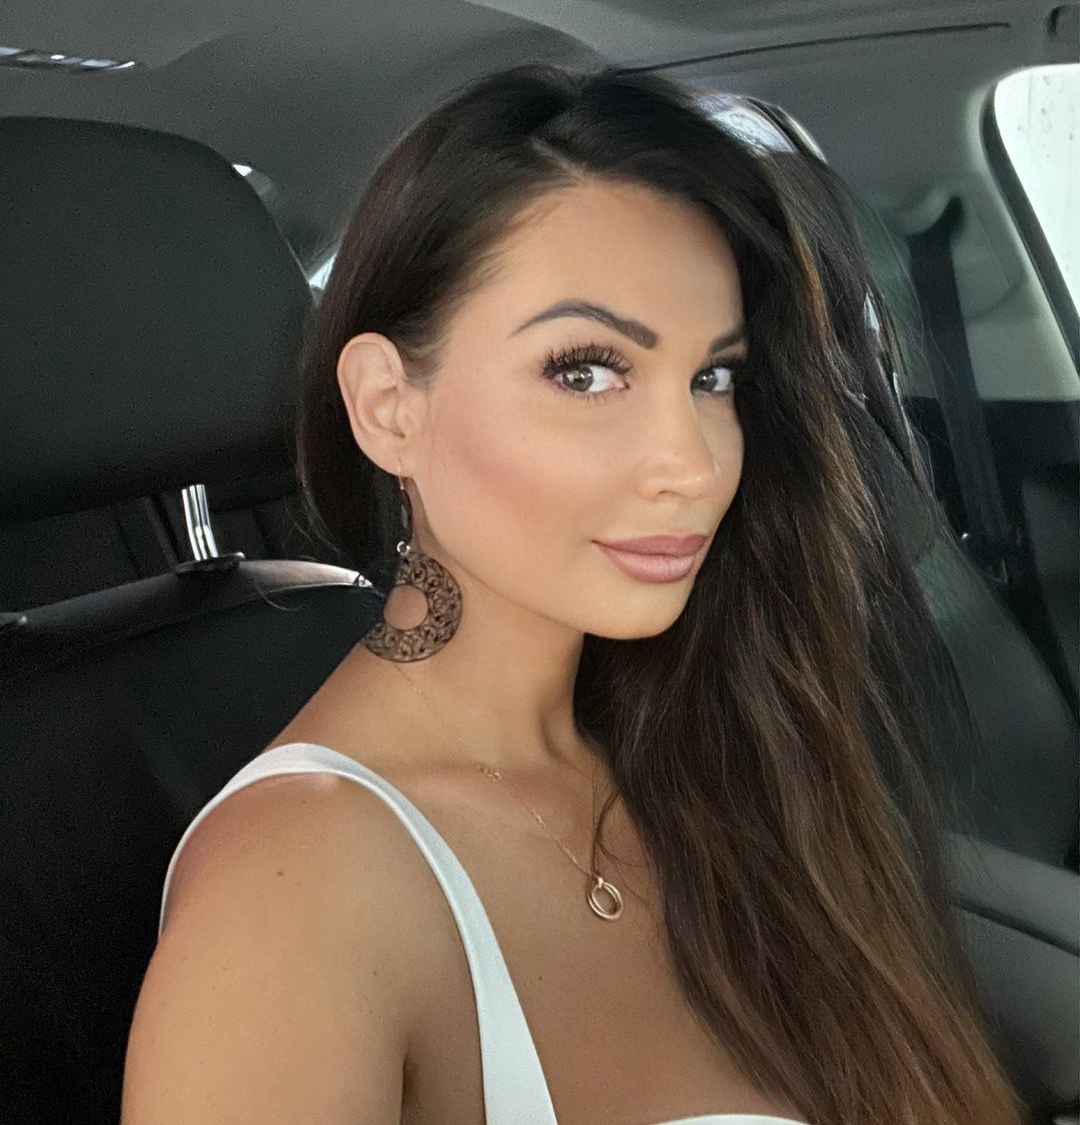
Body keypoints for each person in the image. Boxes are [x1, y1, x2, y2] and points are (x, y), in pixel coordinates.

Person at [121, 64, 1025, 1125]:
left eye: (714, 378)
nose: (693, 463)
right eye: (586, 370)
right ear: (388, 407)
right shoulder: (295, 894)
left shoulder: (711, 741)